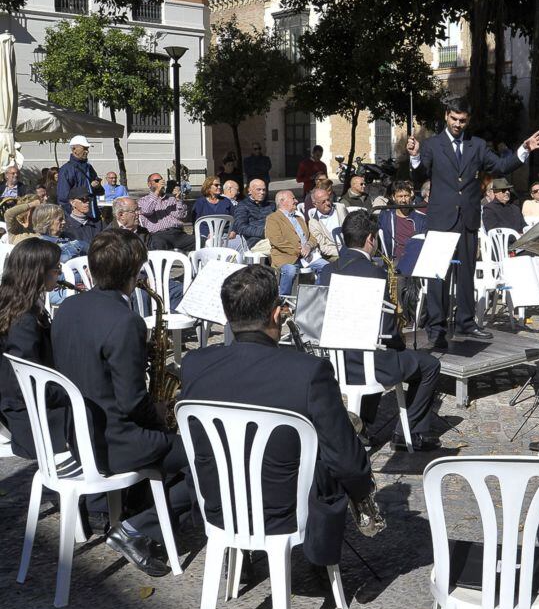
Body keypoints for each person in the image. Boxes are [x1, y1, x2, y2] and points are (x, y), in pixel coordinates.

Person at [179, 265, 375, 567]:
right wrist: (362, 491)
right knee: (337, 461)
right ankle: (321, 564)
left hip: (218, 507)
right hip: (284, 515)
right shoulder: (309, 373)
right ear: (275, 315)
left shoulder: (193, 363)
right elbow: (348, 462)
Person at [52, 228, 191, 577]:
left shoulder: (67, 307)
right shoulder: (125, 321)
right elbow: (131, 402)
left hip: (78, 435)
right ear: (133, 272)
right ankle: (139, 527)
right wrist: (160, 414)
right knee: (208, 454)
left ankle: (146, 512)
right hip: (115, 443)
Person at [407, 97, 539, 348]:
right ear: (446, 116)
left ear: (467, 120)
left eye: (462, 120)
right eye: (454, 119)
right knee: (439, 275)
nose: (458, 124)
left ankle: (466, 322)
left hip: (468, 218)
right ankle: (436, 327)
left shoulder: (477, 145)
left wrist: (523, 150)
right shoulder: (432, 145)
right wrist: (414, 157)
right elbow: (419, 175)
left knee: (467, 272)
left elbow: (501, 165)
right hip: (440, 219)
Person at [317, 212, 443, 450]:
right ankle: (411, 432)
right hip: (366, 362)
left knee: (375, 353)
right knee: (429, 365)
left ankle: (361, 426)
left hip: (335, 361)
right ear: (370, 239)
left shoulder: (326, 270)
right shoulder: (375, 272)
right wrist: (399, 343)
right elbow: (385, 330)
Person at [0, 239, 69, 460]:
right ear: (39, 272)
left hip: (27, 408)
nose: (59, 273)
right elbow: (27, 382)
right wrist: (72, 389)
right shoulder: (24, 319)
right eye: (56, 268)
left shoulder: (15, 304)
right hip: (31, 421)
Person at [265, 189, 327, 296]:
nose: (296, 201)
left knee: (326, 267)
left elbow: (312, 237)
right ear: (282, 201)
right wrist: (298, 250)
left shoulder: (299, 218)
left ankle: (315, 297)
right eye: (293, 198)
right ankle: (283, 301)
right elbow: (277, 240)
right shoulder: (273, 218)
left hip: (307, 257)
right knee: (290, 271)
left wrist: (308, 246)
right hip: (286, 258)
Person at [138, 173, 195, 252]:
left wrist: (178, 199)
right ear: (149, 184)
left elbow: (182, 215)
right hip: (159, 235)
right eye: (157, 181)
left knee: (201, 241)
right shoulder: (143, 200)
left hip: (177, 233)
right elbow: (147, 211)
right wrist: (157, 192)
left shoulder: (171, 199)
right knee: (158, 244)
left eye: (161, 180)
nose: (160, 183)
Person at [379, 181, 428, 262]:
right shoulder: (385, 216)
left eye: (406, 196)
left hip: (413, 261)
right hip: (392, 262)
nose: (404, 200)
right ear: (393, 197)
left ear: (411, 196)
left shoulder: (421, 219)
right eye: (400, 196)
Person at [57, 135, 103, 219]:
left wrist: (97, 186)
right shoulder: (66, 170)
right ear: (74, 149)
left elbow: (100, 192)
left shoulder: (89, 167)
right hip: (78, 218)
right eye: (84, 148)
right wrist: (73, 217)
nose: (87, 151)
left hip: (93, 215)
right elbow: (63, 198)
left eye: (87, 149)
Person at [307, 186, 347, 261]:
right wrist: (342, 252)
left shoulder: (340, 208)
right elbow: (323, 247)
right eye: (323, 202)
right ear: (315, 204)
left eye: (328, 199)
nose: (328, 203)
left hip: (350, 247)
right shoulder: (314, 223)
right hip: (334, 253)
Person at [233, 178, 274, 249]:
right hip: (254, 241)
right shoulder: (243, 206)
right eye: (259, 189)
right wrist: (264, 233)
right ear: (250, 191)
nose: (262, 192)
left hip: (274, 237)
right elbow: (241, 227)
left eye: (264, 190)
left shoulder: (271, 206)